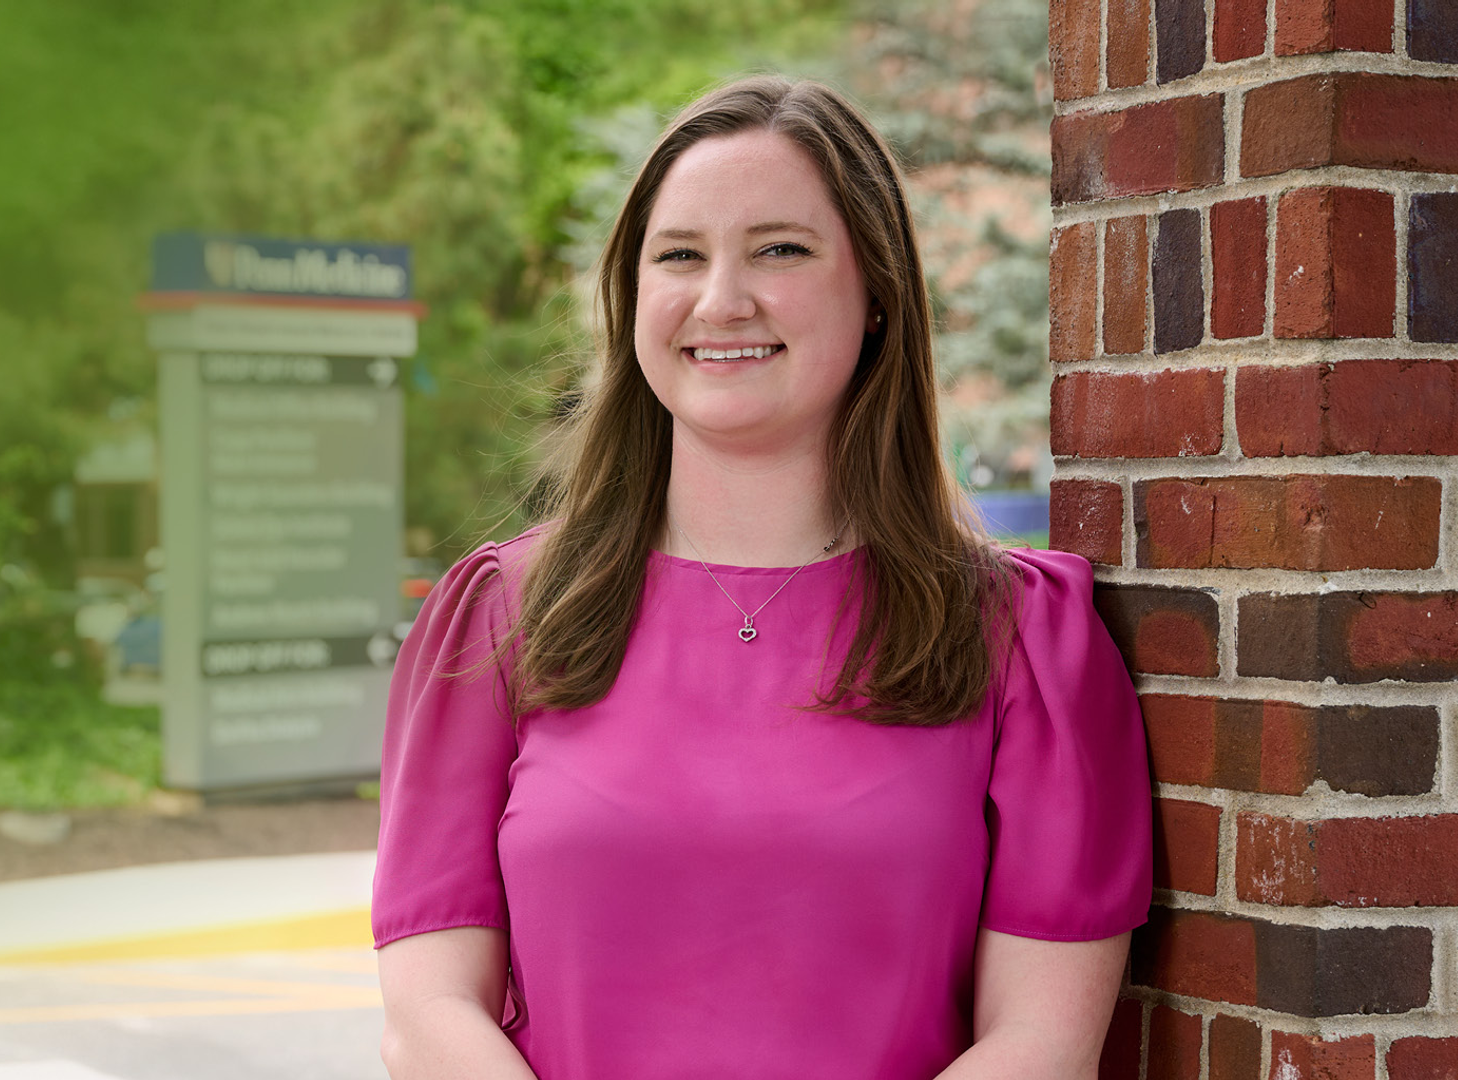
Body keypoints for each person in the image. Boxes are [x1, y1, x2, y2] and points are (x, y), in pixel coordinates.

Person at [371, 75, 1151, 1080]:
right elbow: (429, 1013)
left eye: (779, 249)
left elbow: (1040, 1045)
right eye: (680, 256)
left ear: (875, 294)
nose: (720, 300)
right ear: (635, 297)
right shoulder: (497, 619)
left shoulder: (1023, 641)